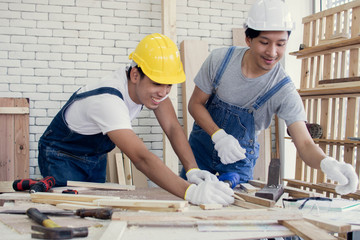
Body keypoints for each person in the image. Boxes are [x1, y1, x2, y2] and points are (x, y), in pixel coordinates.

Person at [181, 0, 358, 195]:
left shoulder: (284, 90)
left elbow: (305, 143)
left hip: (237, 165)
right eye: (264, 42)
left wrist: (327, 163)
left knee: (231, 215)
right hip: (199, 153)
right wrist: (219, 136)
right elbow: (195, 104)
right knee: (187, 204)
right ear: (248, 39)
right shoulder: (220, 60)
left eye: (280, 44)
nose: (272, 52)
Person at [38, 33, 234, 206]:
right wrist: (190, 192)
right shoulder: (108, 100)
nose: (163, 92)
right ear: (135, 75)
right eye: (157, 83)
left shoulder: (154, 91)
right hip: (62, 155)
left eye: (169, 86)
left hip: (94, 156)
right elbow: (141, 158)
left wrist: (192, 170)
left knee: (92, 208)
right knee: (70, 210)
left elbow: (173, 127)